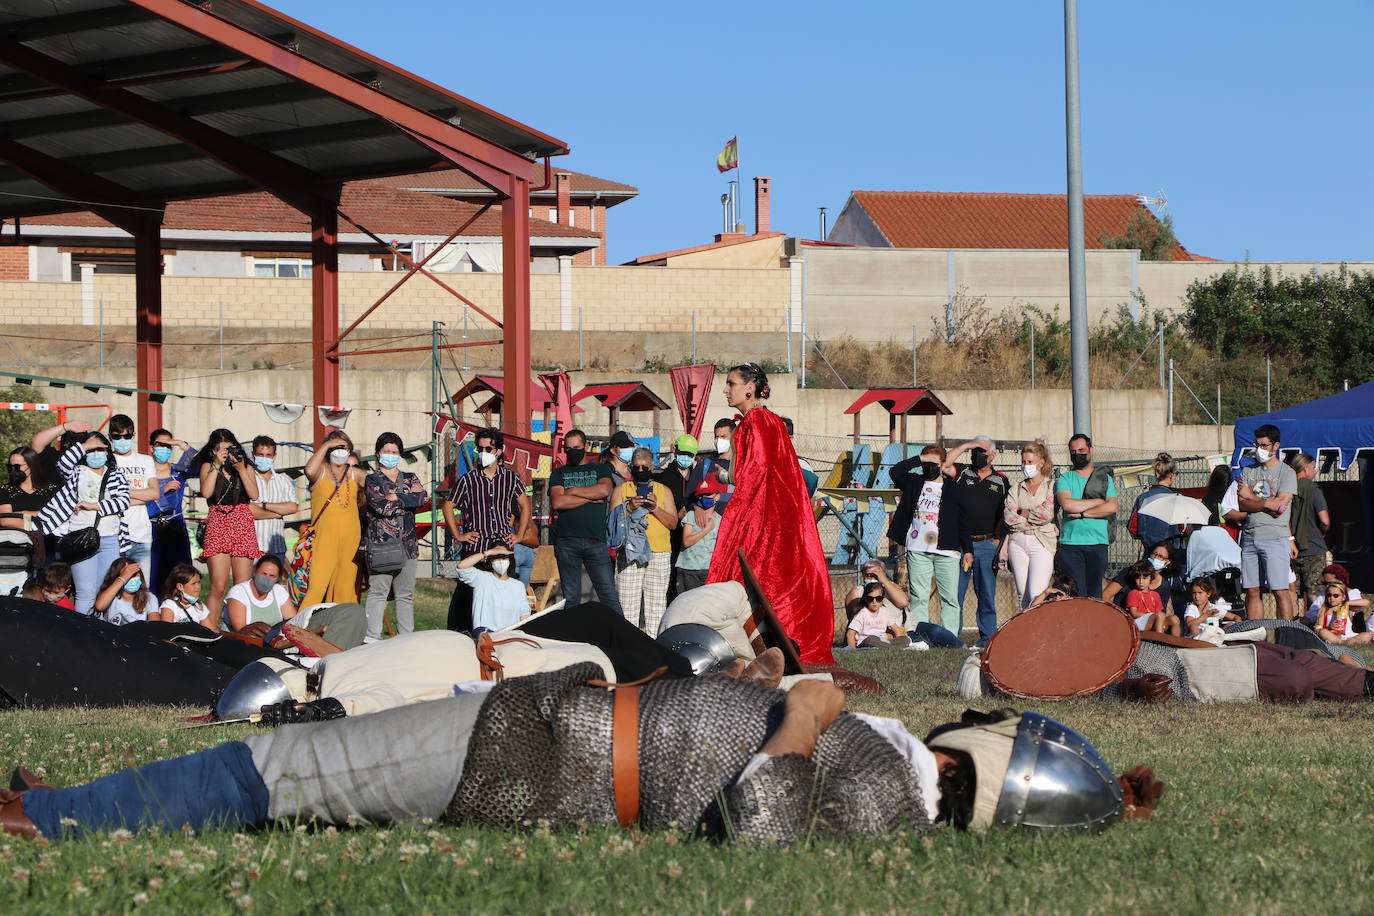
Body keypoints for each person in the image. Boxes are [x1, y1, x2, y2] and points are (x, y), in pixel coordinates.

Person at [0, 671, 1149, 842]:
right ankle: (86, 801)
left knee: (290, 774)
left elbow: (757, 832)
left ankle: (56, 822)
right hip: (556, 717)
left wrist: (797, 718)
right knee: (318, 740)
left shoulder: (888, 795)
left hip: (545, 757)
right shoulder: (897, 761)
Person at [706, 363, 837, 665]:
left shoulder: (755, 421)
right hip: (776, 513)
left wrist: (740, 515)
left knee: (751, 576)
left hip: (764, 516)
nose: (726, 390)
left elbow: (757, 472)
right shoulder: (766, 420)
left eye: (731, 384)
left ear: (749, 388)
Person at [442, 427, 531, 630]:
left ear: (498, 451)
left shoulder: (511, 478)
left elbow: (525, 506)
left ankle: (506, 630)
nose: (483, 453)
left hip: (502, 545)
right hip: (476, 546)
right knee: (469, 594)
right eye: (480, 449)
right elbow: (448, 506)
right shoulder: (467, 480)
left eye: (488, 449)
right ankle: (465, 632)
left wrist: (518, 535)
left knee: (504, 590)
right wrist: (458, 535)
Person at [35, 433, 130, 615]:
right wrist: (85, 445)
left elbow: (123, 501)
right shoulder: (77, 472)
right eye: (91, 450)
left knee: (106, 591)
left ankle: (103, 634)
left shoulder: (116, 475)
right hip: (81, 538)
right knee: (85, 592)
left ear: (107, 452)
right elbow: (63, 463)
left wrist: (93, 505)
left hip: (110, 539)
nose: (96, 453)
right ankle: (81, 634)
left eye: (100, 449)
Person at [888, 445, 971, 643]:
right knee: (919, 597)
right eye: (926, 464)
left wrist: (968, 549)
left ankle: (950, 638)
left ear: (943, 465)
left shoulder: (954, 487)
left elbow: (962, 521)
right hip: (917, 549)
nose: (929, 468)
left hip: (947, 550)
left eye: (934, 464)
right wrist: (919, 459)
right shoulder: (914, 482)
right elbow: (895, 471)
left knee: (950, 598)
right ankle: (920, 638)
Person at [943, 437, 1009, 646]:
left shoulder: (1001, 481)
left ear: (993, 455)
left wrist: (999, 541)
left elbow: (1007, 513)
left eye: (982, 451)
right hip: (961, 545)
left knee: (987, 594)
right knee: (955, 594)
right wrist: (966, 445)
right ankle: (952, 637)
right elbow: (944, 465)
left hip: (988, 545)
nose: (977, 455)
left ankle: (988, 638)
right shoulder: (962, 472)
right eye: (975, 451)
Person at [362, 432, 427, 642]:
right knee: (378, 592)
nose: (390, 455)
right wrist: (405, 501)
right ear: (378, 454)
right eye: (386, 451)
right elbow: (380, 506)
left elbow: (421, 497)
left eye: (394, 452)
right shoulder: (372, 479)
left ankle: (406, 639)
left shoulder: (410, 478)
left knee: (405, 595)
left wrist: (396, 496)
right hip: (381, 546)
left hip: (408, 545)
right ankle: (372, 637)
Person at [547, 428, 620, 612]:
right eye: (569, 448)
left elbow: (604, 491)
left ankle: (621, 636)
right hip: (566, 541)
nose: (573, 451)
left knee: (608, 595)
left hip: (595, 540)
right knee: (571, 598)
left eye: (577, 447)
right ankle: (572, 637)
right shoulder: (559, 472)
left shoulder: (600, 468)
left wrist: (571, 491)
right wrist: (590, 497)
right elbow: (558, 501)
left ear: (586, 446)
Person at [193, 429, 261, 624]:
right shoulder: (208, 465)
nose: (225, 453)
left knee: (242, 586)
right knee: (218, 586)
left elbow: (254, 495)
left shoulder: (245, 466)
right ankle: (209, 630)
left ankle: (241, 629)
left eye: (228, 448)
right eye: (220, 449)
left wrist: (240, 468)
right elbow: (206, 492)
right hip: (218, 521)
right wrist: (215, 465)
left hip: (241, 521)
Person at [611, 447, 678, 633]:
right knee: (627, 605)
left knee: (656, 605)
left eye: (645, 468)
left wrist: (655, 507)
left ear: (652, 467)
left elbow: (673, 523)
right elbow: (612, 523)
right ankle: (629, 649)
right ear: (631, 467)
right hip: (630, 551)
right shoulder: (622, 490)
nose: (640, 471)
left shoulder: (663, 491)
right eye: (636, 467)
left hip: (659, 552)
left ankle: (655, 649)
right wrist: (630, 507)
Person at [1236, 424, 1298, 620]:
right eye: (1257, 444)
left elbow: (1280, 507)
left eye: (1264, 445)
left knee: (1280, 591)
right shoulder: (1248, 470)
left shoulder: (1286, 473)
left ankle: (1285, 634)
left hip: (1275, 537)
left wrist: (1251, 497)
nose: (1259, 449)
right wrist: (1266, 502)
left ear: (1275, 446)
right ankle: (1256, 634)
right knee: (1252, 591)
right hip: (1250, 537)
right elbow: (1241, 505)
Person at [299, 429, 365, 609]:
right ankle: (300, 627)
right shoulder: (320, 470)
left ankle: (344, 629)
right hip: (324, 537)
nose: (340, 451)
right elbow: (308, 469)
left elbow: (376, 485)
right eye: (337, 447)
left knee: (346, 587)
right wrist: (327, 443)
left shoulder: (354, 473)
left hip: (351, 538)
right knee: (317, 586)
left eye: (345, 447)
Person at [842, 559, 965, 648]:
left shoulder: (891, 587)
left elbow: (903, 602)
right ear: (863, 576)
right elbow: (856, 617)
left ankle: (963, 648)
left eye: (876, 575)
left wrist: (883, 581)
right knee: (924, 641)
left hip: (909, 625)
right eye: (869, 575)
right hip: (887, 633)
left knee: (936, 631)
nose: (872, 578)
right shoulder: (858, 591)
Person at [1054, 434, 1118, 600]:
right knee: (1076, 595)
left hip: (1097, 543)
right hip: (1071, 545)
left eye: (1081, 450)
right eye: (1073, 451)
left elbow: (1112, 506)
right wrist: (1098, 501)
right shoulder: (1065, 478)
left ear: (1091, 451)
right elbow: (1067, 505)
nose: (1078, 454)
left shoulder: (1104, 479)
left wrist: (1082, 513)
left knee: (1095, 595)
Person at [1003, 441, 1058, 612]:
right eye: (1024, 462)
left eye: (1030, 462)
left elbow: (1047, 513)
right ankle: (1024, 632)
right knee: (1022, 594)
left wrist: (1023, 513)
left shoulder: (1051, 486)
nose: (1026, 465)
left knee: (1037, 593)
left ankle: (1038, 631)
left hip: (1042, 541)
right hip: (1018, 542)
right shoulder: (1016, 488)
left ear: (1041, 463)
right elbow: (1009, 517)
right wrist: (1027, 517)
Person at [144, 429, 195, 600]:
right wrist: (162, 490)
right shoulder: (144, 473)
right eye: (160, 445)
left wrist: (182, 445)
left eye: (168, 445)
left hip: (175, 529)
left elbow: (197, 462)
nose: (164, 449)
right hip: (151, 529)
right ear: (151, 447)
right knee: (153, 577)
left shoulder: (178, 472)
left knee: (180, 575)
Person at [107, 414, 156, 583]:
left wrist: (123, 494)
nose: (122, 440)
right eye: (117, 436)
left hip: (141, 535)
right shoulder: (106, 462)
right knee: (114, 585)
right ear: (110, 437)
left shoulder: (146, 461)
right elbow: (107, 498)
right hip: (114, 535)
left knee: (142, 586)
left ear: (133, 436)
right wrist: (141, 495)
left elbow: (154, 493)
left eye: (126, 436)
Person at [1288, 453, 1330, 605]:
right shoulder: (1314, 490)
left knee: (1292, 594)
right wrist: (1322, 533)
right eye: (1313, 467)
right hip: (1314, 548)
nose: (1315, 470)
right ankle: (1314, 627)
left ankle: (1292, 626)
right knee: (1315, 594)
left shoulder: (1287, 489)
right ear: (1305, 468)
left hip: (1291, 548)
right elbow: (1325, 521)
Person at [455, 545, 528, 634]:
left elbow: (524, 614)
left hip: (510, 636)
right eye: (496, 556)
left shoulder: (518, 586)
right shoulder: (481, 578)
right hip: (486, 636)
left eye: (504, 557)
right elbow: (461, 567)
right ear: (490, 560)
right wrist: (487, 553)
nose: (501, 560)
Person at [248, 436, 299, 559]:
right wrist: (278, 513)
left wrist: (263, 505)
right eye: (260, 454)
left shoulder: (283, 480)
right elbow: (248, 510)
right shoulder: (247, 479)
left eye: (268, 455)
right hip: (252, 547)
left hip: (277, 548)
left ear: (274, 456)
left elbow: (292, 507)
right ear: (253, 455)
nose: (264, 458)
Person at [225, 555, 296, 634]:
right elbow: (241, 630)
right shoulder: (238, 592)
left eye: (272, 576)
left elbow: (293, 624)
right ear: (255, 571)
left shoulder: (279, 591)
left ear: (278, 578)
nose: (266, 579)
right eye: (264, 573)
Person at [0, 446, 58, 541]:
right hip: (17, 547)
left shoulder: (49, 490)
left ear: (31, 465)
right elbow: (5, 520)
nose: (13, 470)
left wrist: (21, 514)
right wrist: (38, 522)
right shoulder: (5, 490)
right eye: (10, 467)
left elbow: (57, 515)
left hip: (48, 545)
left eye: (18, 466)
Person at [1127, 453, 1180, 552]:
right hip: (1171, 553)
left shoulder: (1142, 499)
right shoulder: (1177, 499)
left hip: (1149, 551)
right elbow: (1184, 528)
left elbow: (1133, 528)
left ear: (1156, 473)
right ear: (1172, 476)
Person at [1103, 542, 1177, 611]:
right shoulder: (1129, 572)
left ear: (1168, 562)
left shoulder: (1164, 586)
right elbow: (1106, 595)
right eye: (1154, 554)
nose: (1156, 558)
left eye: (1160, 556)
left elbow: (1161, 612)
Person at [675, 491, 720, 593]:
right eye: (701, 495)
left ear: (717, 496)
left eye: (708, 495)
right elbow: (686, 541)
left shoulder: (720, 520)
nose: (704, 497)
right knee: (686, 605)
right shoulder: (691, 515)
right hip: (688, 569)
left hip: (708, 571)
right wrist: (706, 530)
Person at [846, 581, 912, 648]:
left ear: (883, 599)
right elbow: (850, 634)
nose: (874, 602)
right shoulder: (862, 614)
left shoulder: (884, 611)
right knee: (871, 639)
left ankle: (889, 647)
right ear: (865, 599)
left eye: (878, 599)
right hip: (866, 642)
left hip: (882, 641)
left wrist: (899, 639)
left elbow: (896, 629)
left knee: (905, 639)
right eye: (870, 599)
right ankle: (893, 648)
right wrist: (853, 650)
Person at [1123, 560, 1179, 636]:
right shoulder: (1133, 593)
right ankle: (1160, 640)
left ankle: (1176, 644)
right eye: (1138, 578)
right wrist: (1152, 615)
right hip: (1139, 623)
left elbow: (1160, 612)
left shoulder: (1155, 595)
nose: (1141, 581)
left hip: (1155, 619)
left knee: (1174, 618)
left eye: (1144, 578)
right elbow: (1134, 613)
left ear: (1151, 578)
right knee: (1159, 615)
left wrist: (1158, 617)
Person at [92, 556, 153, 626]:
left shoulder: (149, 597)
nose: (132, 578)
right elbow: (99, 606)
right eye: (128, 576)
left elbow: (155, 625)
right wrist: (122, 578)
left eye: (134, 574)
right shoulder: (112, 596)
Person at [157, 562, 213, 631]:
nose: (198, 587)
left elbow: (211, 631)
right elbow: (167, 633)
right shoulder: (170, 605)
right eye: (193, 584)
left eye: (199, 582)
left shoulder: (199, 605)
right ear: (180, 586)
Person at [1313, 581, 1372, 646]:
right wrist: (1329, 628)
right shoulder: (1324, 609)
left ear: (1343, 597)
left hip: (1349, 637)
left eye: (1336, 595)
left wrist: (1348, 603)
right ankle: (1342, 644)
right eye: (1329, 595)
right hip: (1334, 637)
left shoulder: (1348, 608)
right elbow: (1318, 628)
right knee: (1323, 632)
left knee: (1367, 635)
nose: (1332, 598)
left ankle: (1344, 644)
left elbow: (1366, 603)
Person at [1304, 564, 1369, 623]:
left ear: (1341, 581)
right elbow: (1311, 616)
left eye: (1330, 583)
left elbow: (1364, 604)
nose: (1327, 586)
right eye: (1325, 583)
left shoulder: (1352, 594)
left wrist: (1347, 603)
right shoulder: (1324, 594)